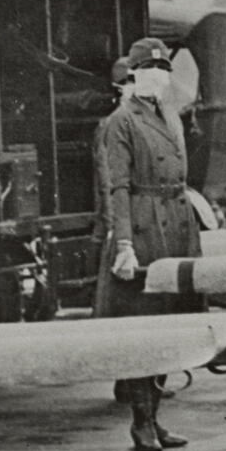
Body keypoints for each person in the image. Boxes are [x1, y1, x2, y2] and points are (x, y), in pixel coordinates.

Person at [96, 37, 203, 451]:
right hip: (143, 227)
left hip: (176, 223)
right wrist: (123, 243)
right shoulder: (120, 121)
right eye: (149, 68)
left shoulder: (169, 115)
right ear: (133, 74)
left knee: (172, 324)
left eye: (163, 69)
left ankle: (155, 418)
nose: (157, 75)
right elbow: (117, 188)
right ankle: (141, 421)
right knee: (146, 327)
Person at [91, 57, 133, 317]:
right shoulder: (110, 127)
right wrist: (113, 230)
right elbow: (108, 185)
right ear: (120, 88)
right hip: (122, 225)